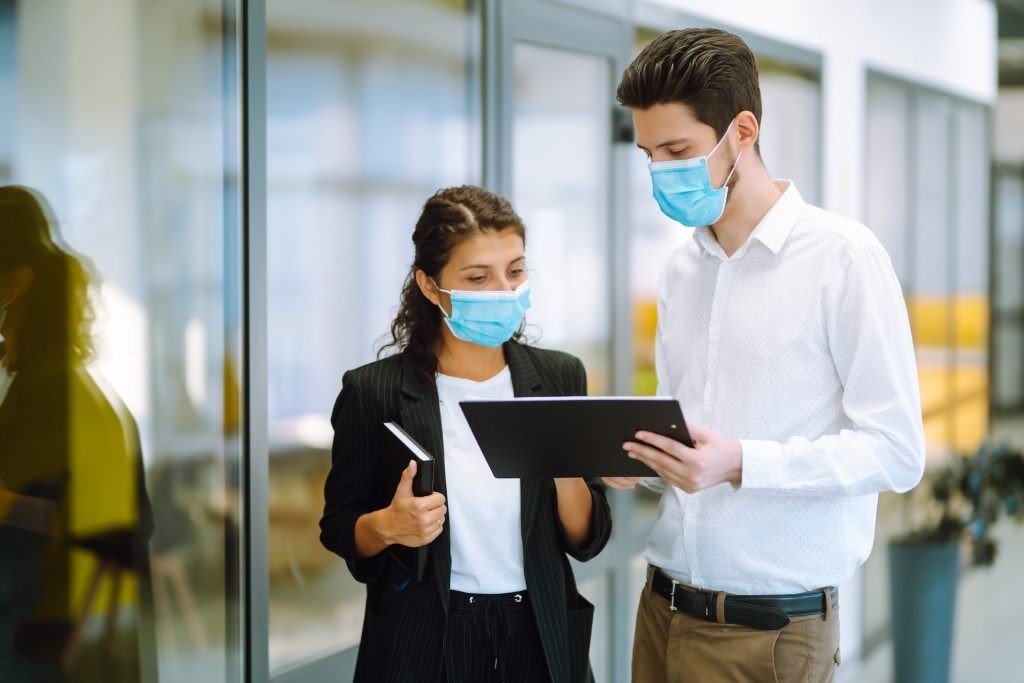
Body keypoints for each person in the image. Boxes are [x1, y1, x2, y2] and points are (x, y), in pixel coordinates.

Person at [604, 29, 926, 682]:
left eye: (677, 150)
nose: (660, 172)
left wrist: (744, 462)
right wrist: (634, 461)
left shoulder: (845, 259)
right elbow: (691, 435)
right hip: (661, 608)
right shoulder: (681, 270)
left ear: (742, 131)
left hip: (766, 632)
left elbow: (897, 450)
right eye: (648, 154)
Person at [319, 185, 611, 682]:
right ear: (431, 287)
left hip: (537, 629)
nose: (504, 290)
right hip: (426, 632)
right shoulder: (375, 392)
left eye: (515, 271)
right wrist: (391, 525)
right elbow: (339, 526)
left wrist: (563, 465)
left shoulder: (560, 377)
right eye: (478, 277)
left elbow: (587, 537)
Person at [0, 185, 155, 682]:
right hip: (81, 637)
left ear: (15, 285)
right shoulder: (85, 389)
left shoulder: (47, 391)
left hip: (37, 640)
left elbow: (34, 506)